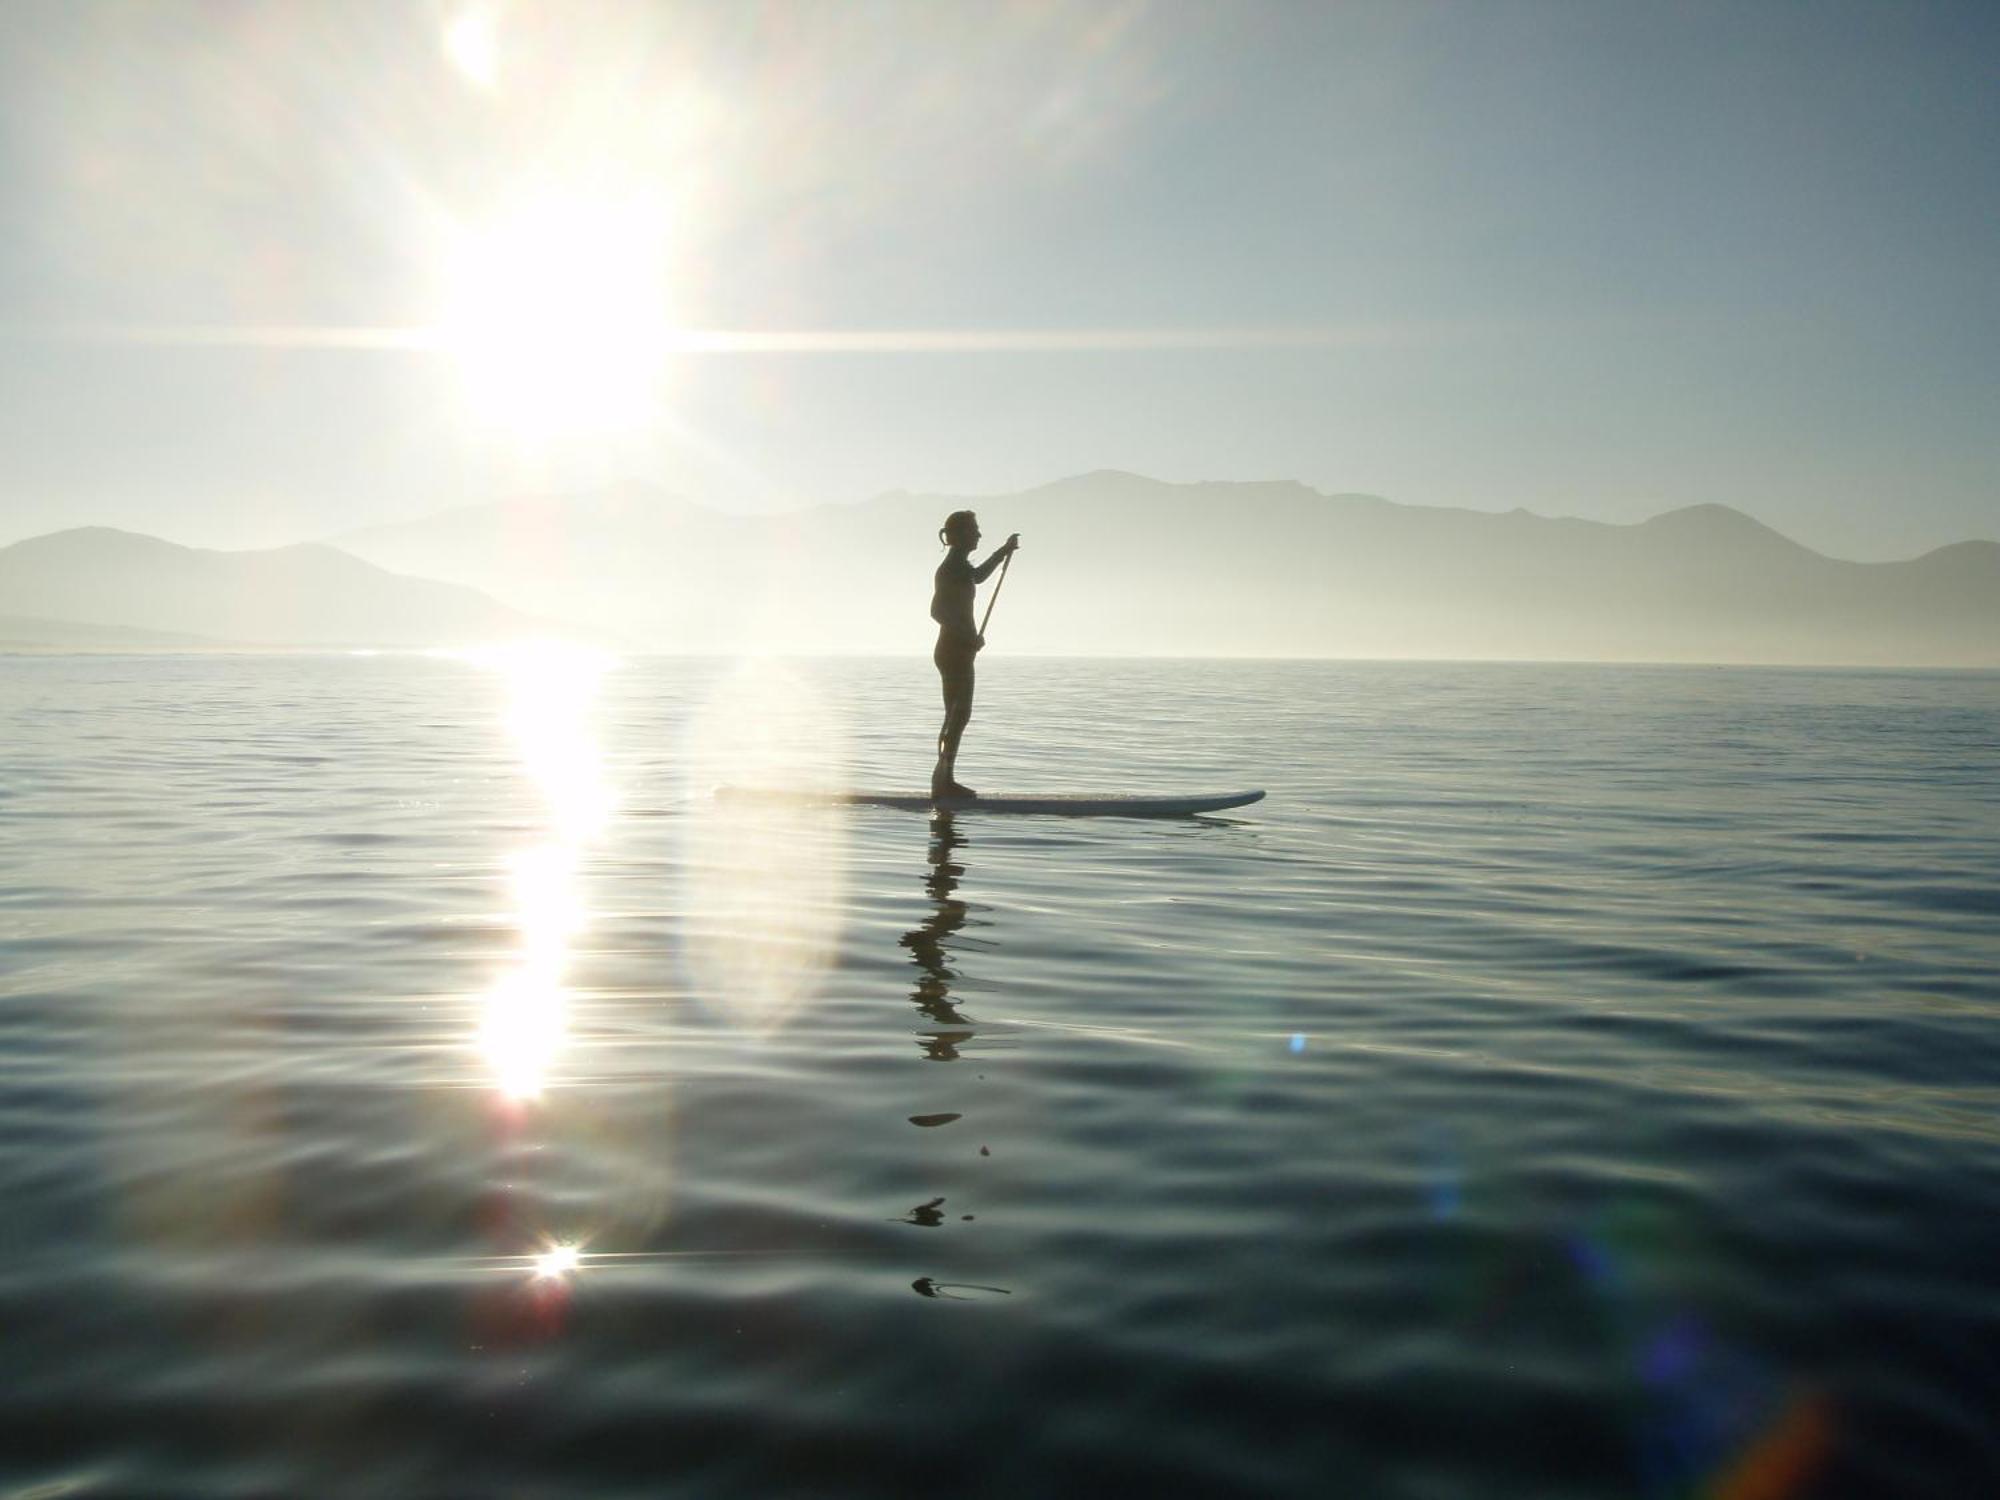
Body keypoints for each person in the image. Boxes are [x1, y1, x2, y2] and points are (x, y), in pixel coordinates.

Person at [929, 511, 1018, 798]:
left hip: (957, 650)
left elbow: (978, 577)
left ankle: (943, 777)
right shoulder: (949, 568)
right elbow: (937, 611)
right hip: (953, 650)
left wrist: (1003, 552)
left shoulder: (960, 567)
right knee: (958, 713)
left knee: (957, 714)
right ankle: (942, 780)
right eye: (974, 530)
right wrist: (969, 636)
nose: (979, 535)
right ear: (959, 535)